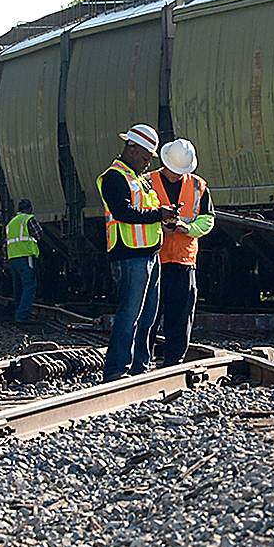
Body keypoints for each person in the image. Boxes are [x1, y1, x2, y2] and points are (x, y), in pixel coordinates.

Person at [98, 123, 180, 380]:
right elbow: (123, 212)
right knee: (130, 314)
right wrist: (160, 215)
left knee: (148, 315)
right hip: (129, 255)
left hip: (149, 253)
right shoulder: (114, 177)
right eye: (145, 158)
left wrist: (165, 222)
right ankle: (115, 370)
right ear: (132, 150)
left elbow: (145, 212)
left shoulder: (137, 180)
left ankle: (139, 367)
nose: (147, 164)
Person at [153, 139, 215, 367]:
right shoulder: (148, 182)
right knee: (150, 314)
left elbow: (208, 219)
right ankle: (143, 359)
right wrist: (161, 230)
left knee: (181, 315)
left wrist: (188, 229)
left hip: (184, 260)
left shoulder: (198, 186)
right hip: (154, 258)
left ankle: (174, 360)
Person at [5, 198, 39, 325]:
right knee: (29, 286)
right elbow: (38, 234)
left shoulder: (11, 222)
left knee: (18, 287)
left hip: (13, 258)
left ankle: (18, 312)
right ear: (30, 208)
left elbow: (6, 242)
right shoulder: (29, 219)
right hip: (26, 256)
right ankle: (22, 315)